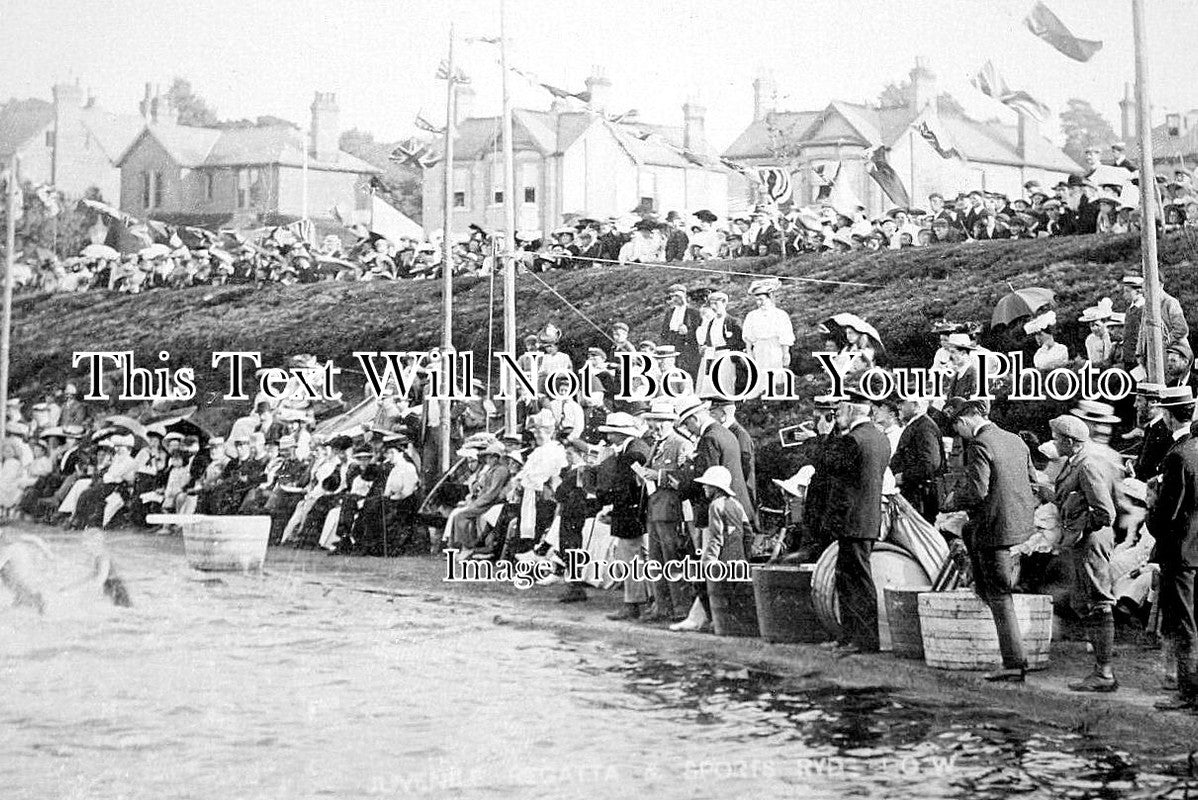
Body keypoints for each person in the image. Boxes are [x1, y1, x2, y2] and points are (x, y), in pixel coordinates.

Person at [944, 397, 1036, 682]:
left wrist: (952, 499)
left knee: (998, 595)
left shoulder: (980, 444)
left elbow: (977, 492)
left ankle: (1013, 663)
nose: (959, 434)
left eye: (957, 427)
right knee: (994, 591)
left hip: (994, 528)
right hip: (1019, 527)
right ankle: (1012, 652)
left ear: (965, 420)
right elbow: (1031, 478)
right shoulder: (1015, 440)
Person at [1051, 413, 1122, 693]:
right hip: (1086, 542)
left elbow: (1106, 513)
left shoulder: (1087, 464)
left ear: (1070, 441)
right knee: (1089, 601)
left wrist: (1080, 527)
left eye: (1057, 438)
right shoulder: (1076, 462)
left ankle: (1104, 673)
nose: (1054, 442)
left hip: (1092, 541)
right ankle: (1100, 669)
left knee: (1099, 602)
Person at [671, 395, 751, 633]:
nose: (688, 430)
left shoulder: (709, 439)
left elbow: (706, 481)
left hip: (715, 511)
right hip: (734, 508)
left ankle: (706, 617)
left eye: (687, 424)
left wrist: (680, 484)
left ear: (695, 418)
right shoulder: (726, 434)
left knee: (709, 564)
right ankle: (702, 615)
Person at [820, 388, 890, 653]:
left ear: (850, 410)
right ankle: (852, 636)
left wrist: (829, 434)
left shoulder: (852, 440)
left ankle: (863, 639)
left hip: (851, 520)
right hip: (867, 517)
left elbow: (829, 465)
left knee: (855, 580)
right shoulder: (881, 438)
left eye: (840, 410)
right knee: (851, 577)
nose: (837, 415)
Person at [1147, 386, 1198, 712]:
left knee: (1183, 622)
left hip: (1179, 549)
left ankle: (1189, 693)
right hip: (1196, 546)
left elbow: (1170, 511)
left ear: (1166, 415)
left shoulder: (1179, 454)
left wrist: (1152, 512)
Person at [595, 412, 653, 621]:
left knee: (629, 557)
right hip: (633, 510)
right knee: (637, 557)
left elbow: (629, 487)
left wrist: (613, 505)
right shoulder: (634, 449)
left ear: (619, 433)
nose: (609, 437)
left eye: (611, 432)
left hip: (631, 511)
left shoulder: (633, 453)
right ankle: (643, 601)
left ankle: (634, 603)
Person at [640, 400, 694, 621]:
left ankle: (680, 607)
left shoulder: (681, 444)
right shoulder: (657, 444)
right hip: (655, 509)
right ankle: (662, 607)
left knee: (673, 559)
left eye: (660, 421)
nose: (656, 426)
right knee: (656, 560)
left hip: (671, 511)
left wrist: (659, 476)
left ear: (670, 422)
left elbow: (685, 478)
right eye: (654, 421)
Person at [891, 397, 944, 523]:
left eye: (902, 403)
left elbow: (930, 464)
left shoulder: (924, 427)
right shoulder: (919, 425)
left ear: (915, 405)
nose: (899, 407)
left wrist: (904, 477)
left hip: (922, 498)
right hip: (916, 495)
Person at [740, 277, 795, 396]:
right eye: (757, 300)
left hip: (775, 349)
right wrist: (750, 354)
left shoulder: (780, 314)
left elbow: (785, 337)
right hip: (759, 350)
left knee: (775, 377)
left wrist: (786, 354)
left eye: (761, 299)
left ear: (769, 297)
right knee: (759, 378)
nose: (759, 303)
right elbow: (748, 338)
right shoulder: (752, 316)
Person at [694, 291, 744, 397]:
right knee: (711, 385)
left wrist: (734, 357)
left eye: (716, 303)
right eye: (711, 304)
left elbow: (740, 342)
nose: (713, 307)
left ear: (724, 303)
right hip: (712, 355)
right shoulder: (711, 322)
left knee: (726, 385)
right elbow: (708, 340)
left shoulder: (733, 322)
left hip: (727, 357)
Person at [658, 283, 703, 379]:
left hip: (688, 348)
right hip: (672, 346)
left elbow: (701, 333)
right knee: (673, 373)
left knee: (689, 373)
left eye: (677, 296)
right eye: (672, 296)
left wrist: (687, 333)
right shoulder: (669, 313)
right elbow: (664, 332)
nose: (675, 299)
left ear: (684, 296)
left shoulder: (693, 313)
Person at [1080, 299, 1116, 369]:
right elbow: (1093, 360)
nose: (1094, 328)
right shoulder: (1090, 339)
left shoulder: (1112, 336)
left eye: (1096, 325)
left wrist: (1105, 337)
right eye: (1091, 326)